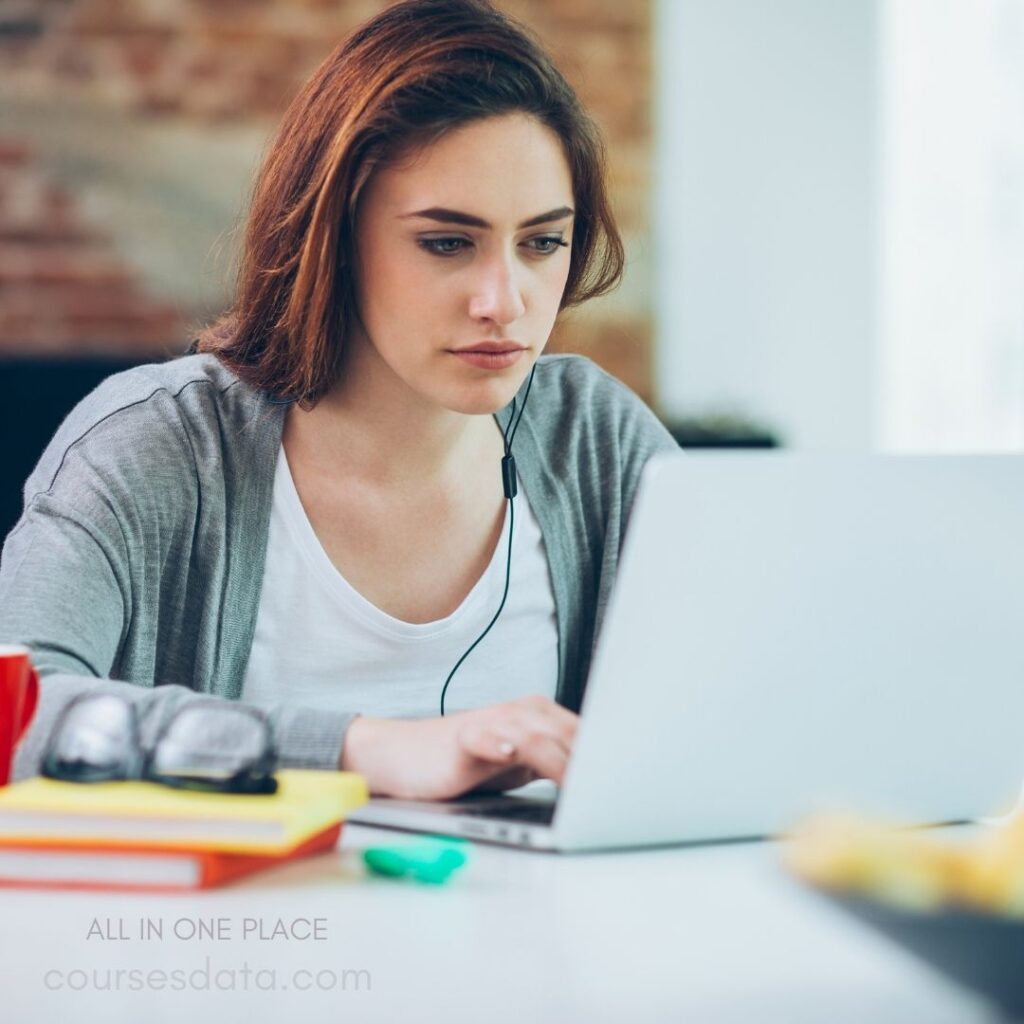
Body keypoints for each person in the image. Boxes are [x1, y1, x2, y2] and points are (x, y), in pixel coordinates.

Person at [0, 0, 676, 800]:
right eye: (447, 242)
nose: (505, 299)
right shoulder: (156, 448)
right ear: (335, 238)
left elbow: (733, 706)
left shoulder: (598, 439)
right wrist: (363, 749)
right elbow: (20, 714)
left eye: (542, 243)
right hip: (246, 926)